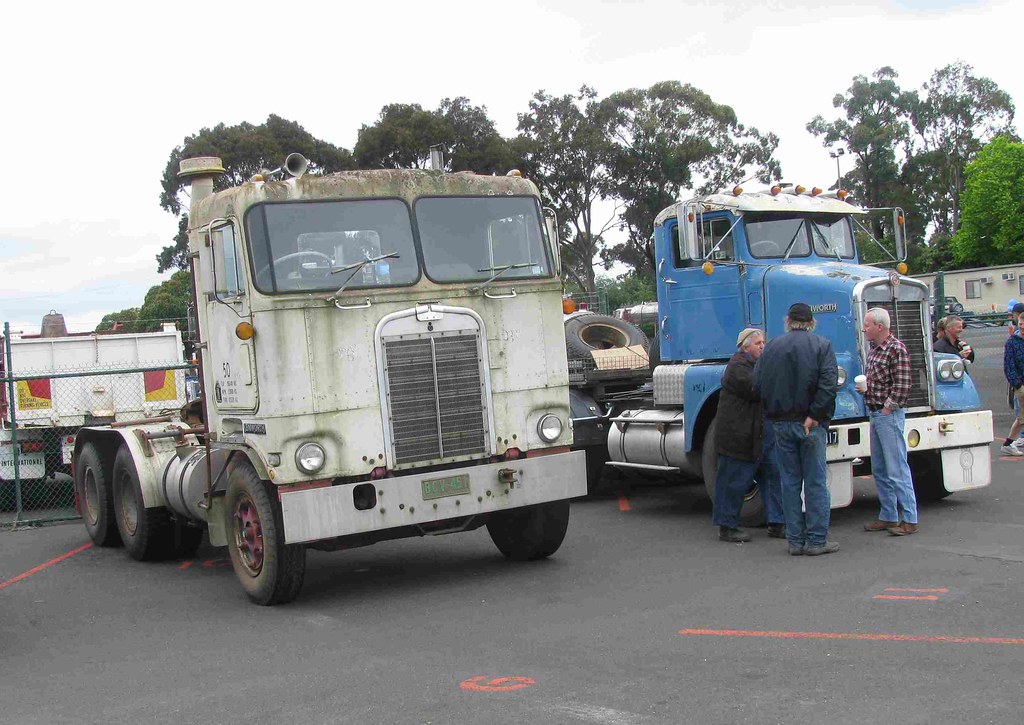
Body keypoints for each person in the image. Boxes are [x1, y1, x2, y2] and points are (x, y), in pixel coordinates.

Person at [754, 303, 839, 556]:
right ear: (811, 322)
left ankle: (794, 541)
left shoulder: (771, 348)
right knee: (815, 483)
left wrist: (775, 411)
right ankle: (816, 541)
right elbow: (828, 384)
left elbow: (757, 383)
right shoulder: (822, 346)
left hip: (780, 422)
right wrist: (815, 414)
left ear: (788, 320)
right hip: (811, 424)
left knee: (789, 483)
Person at [713, 328, 779, 542]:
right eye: (758, 343)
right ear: (745, 346)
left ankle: (777, 522)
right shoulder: (737, 367)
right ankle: (727, 526)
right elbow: (757, 389)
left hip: (759, 434)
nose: (763, 346)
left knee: (773, 476)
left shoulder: (755, 365)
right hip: (739, 436)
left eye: (763, 342)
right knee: (733, 481)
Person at [860, 307, 918, 536]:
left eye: (867, 325)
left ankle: (910, 519)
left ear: (880, 327)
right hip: (875, 412)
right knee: (880, 468)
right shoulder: (874, 349)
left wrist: (887, 408)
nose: (864, 329)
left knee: (897, 468)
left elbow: (903, 385)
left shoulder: (896, 349)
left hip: (888, 415)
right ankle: (889, 515)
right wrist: (866, 391)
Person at [1001, 308, 1024, 457]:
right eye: (1021, 323)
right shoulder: (1012, 343)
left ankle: (1008, 443)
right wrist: (1018, 385)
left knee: (1022, 417)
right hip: (1021, 385)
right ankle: (1008, 444)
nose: (1022, 326)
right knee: (1022, 417)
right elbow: (1009, 366)